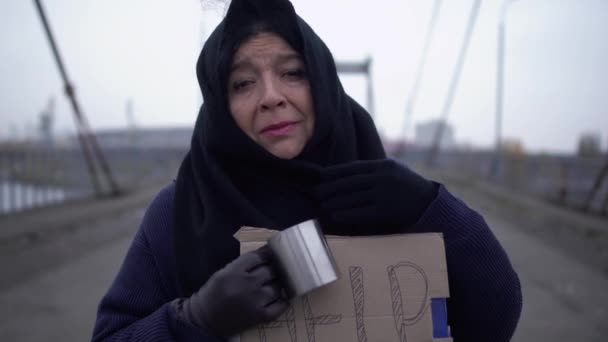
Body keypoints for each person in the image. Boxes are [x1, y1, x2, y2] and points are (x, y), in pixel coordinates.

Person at [92, 0, 522, 340]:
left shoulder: (387, 194)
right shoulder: (178, 212)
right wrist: (195, 319)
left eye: (293, 73)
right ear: (220, 106)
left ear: (322, 81)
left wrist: (433, 208)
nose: (271, 96)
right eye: (242, 83)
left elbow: (493, 321)